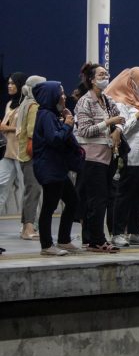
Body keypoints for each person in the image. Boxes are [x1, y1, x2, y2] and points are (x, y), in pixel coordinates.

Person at [73, 63, 124, 252]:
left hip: (108, 156)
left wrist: (117, 129)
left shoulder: (108, 100)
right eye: (101, 75)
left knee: (100, 198)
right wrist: (109, 123)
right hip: (92, 158)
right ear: (91, 79)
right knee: (97, 200)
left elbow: (121, 120)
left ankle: (90, 238)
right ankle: (97, 239)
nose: (106, 77)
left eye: (106, 74)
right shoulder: (85, 102)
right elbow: (85, 130)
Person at [105, 67, 139, 247]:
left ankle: (136, 231)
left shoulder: (136, 101)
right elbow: (122, 129)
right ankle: (118, 232)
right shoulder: (120, 102)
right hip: (131, 155)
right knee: (124, 194)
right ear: (131, 82)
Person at [32, 82, 83, 256]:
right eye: (60, 93)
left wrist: (65, 121)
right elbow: (53, 139)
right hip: (49, 167)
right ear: (51, 96)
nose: (64, 96)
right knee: (49, 206)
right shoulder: (46, 115)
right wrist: (68, 125)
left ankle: (64, 239)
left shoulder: (52, 115)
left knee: (73, 201)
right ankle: (46, 245)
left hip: (57, 168)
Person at [16, 75, 45, 240]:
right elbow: (34, 132)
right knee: (33, 191)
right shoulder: (34, 106)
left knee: (28, 191)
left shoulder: (24, 102)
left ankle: (25, 228)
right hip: (32, 155)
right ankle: (29, 229)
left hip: (23, 154)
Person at [0, 73, 27, 217]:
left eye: (13, 83)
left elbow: (29, 130)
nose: (9, 86)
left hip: (22, 153)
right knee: (0, 185)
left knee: (26, 190)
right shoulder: (10, 104)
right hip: (7, 151)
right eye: (8, 83)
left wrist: (7, 128)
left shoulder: (27, 104)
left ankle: (29, 226)